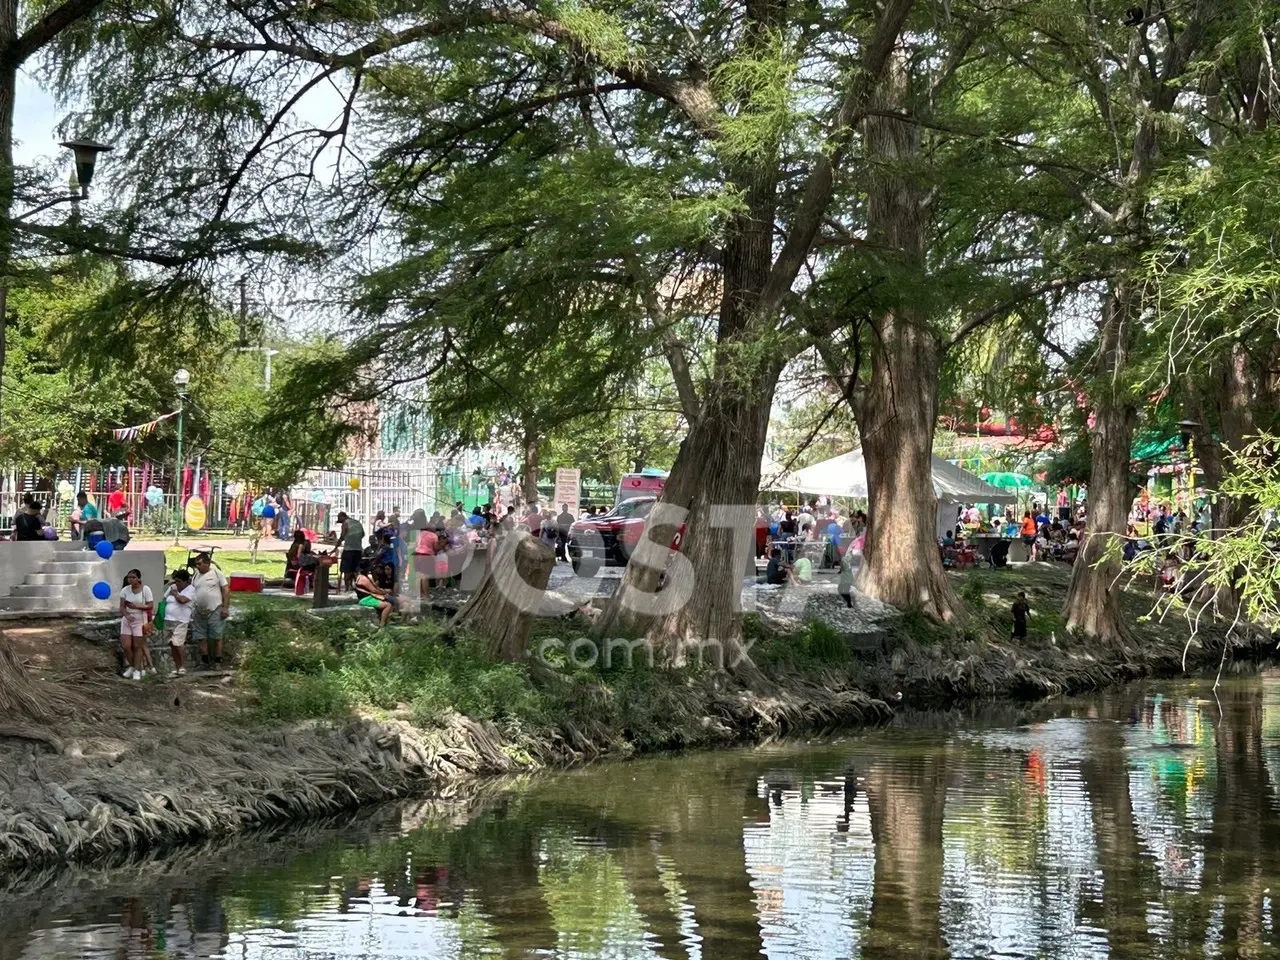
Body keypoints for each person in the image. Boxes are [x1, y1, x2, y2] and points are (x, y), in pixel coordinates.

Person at [190, 553, 230, 668]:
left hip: (215, 609)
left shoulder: (216, 573)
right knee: (200, 636)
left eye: (200, 564)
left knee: (217, 636)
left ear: (207, 563)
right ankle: (205, 660)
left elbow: (226, 590)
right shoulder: (196, 575)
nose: (197, 566)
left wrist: (225, 607)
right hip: (199, 611)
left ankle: (217, 661)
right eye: (196, 564)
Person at [118, 568, 154, 680]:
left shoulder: (145, 589)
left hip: (140, 618)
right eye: (129, 577)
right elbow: (122, 606)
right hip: (128, 619)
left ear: (138, 578)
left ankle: (138, 670)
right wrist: (126, 615)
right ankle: (133, 666)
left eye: (133, 577)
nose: (131, 580)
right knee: (126, 646)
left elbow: (150, 605)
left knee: (137, 646)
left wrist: (136, 606)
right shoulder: (125, 590)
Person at [164, 569, 195, 676]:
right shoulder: (172, 587)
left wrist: (176, 593)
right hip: (169, 619)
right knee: (172, 644)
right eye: (176, 581)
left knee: (178, 643)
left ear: (186, 581)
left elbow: (182, 600)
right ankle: (177, 667)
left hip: (181, 620)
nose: (177, 584)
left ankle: (183, 666)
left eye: (179, 582)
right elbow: (164, 598)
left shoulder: (191, 590)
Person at [354, 559, 394, 626]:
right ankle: (382, 624)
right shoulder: (363, 579)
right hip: (365, 599)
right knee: (388, 605)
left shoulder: (361, 576)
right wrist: (384, 592)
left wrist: (382, 592)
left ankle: (387, 621)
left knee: (390, 602)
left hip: (369, 597)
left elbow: (375, 587)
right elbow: (374, 590)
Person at [337, 511, 365, 592]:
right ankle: (357, 587)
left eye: (340, 520)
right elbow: (363, 534)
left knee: (346, 570)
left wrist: (336, 546)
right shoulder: (357, 523)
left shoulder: (345, 523)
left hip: (348, 550)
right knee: (356, 569)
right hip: (358, 550)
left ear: (343, 516)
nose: (340, 522)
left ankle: (347, 588)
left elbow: (342, 536)